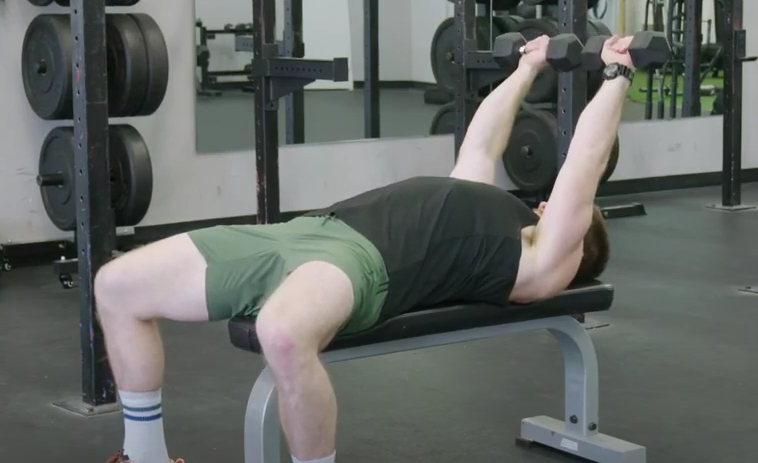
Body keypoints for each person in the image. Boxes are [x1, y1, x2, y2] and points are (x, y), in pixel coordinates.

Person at [98, 33, 635, 463]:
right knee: (116, 287)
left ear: (578, 237)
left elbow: (583, 163)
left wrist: (618, 75)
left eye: (560, 211)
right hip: (302, 232)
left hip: (358, 264)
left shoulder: (545, 260)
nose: (544, 203)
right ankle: (144, 455)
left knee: (281, 335)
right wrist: (527, 69)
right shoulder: (489, 209)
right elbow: (481, 141)